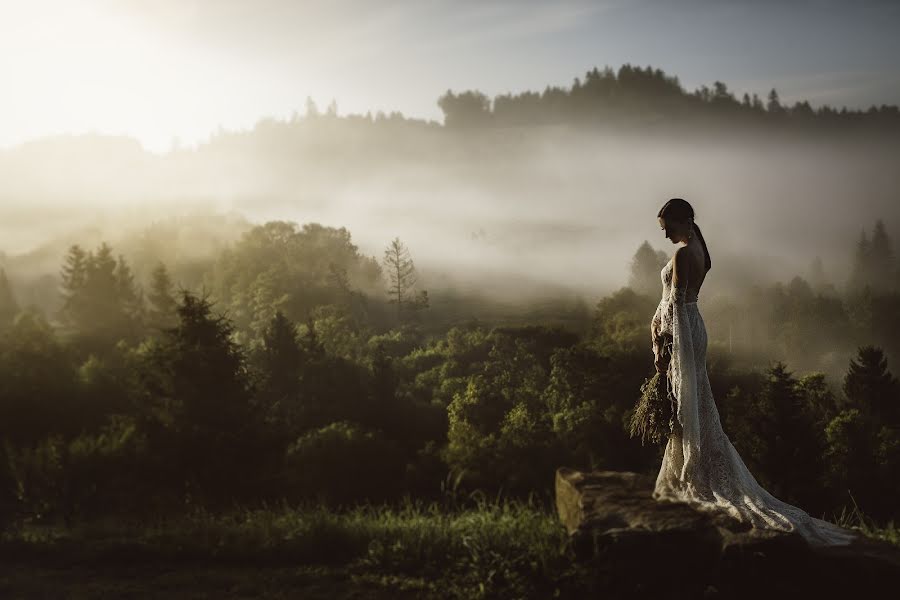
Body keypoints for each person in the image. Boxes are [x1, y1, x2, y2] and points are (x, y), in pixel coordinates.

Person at [650, 198, 859, 547]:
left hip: (685, 331)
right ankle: (695, 465)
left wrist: (662, 344)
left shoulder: (684, 255)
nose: (666, 235)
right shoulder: (700, 248)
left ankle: (696, 472)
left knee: (688, 399)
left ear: (682, 220)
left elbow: (675, 305)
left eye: (668, 228)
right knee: (695, 401)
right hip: (693, 327)